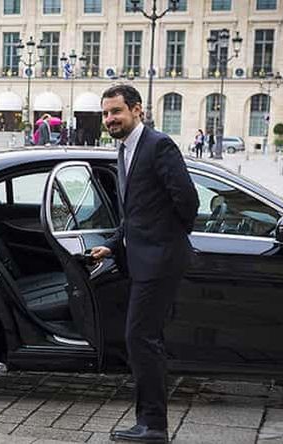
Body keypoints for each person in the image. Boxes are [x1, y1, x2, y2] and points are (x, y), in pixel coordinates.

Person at [89, 85, 199, 444]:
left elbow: (188, 200)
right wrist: (111, 244)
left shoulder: (158, 145)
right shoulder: (123, 151)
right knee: (145, 338)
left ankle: (153, 426)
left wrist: (165, 241)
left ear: (137, 110)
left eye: (116, 112)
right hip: (142, 259)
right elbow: (135, 213)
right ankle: (151, 423)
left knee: (140, 338)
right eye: (106, 113)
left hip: (159, 261)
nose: (110, 120)